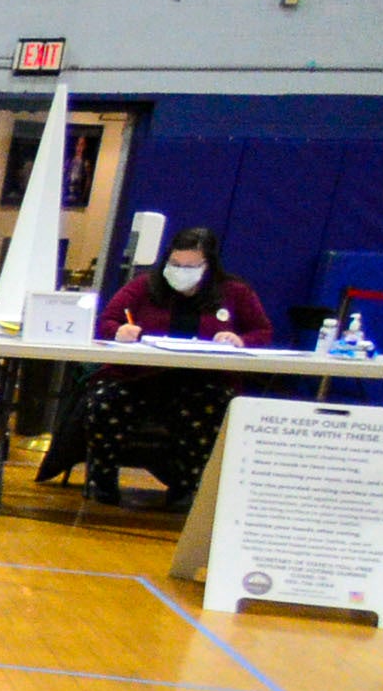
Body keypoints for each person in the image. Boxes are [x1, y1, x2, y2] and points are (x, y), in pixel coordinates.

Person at [61, 216, 271, 506]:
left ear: (208, 267)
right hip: (139, 377)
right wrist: (119, 331)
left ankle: (185, 486)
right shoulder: (144, 286)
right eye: (175, 264)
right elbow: (106, 321)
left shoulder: (235, 292)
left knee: (210, 407)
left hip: (203, 380)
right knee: (104, 402)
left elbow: (262, 331)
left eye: (190, 267)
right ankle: (104, 478)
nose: (181, 272)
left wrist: (241, 340)